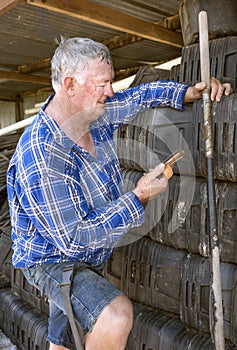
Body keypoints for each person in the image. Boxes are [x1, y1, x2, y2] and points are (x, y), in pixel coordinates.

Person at [7, 37, 232, 350]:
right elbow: (74, 240)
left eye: (110, 82)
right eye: (103, 84)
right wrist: (138, 197)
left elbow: (138, 97)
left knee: (64, 336)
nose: (110, 92)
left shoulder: (92, 113)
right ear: (70, 85)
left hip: (89, 251)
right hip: (53, 258)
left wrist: (187, 92)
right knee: (114, 315)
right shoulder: (42, 155)